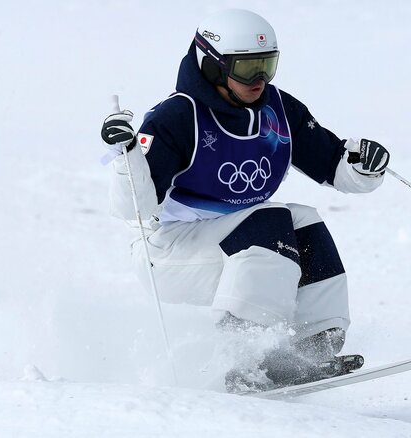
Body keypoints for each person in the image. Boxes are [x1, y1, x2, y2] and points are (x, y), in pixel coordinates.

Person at [100, 9, 390, 391]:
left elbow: (334, 166)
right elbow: (132, 206)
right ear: (214, 66)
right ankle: (246, 353)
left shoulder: (278, 110)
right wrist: (127, 157)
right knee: (269, 221)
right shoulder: (177, 117)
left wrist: (363, 166)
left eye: (267, 65)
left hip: (239, 243)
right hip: (169, 251)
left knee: (304, 221)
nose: (260, 80)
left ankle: (314, 344)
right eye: (246, 68)